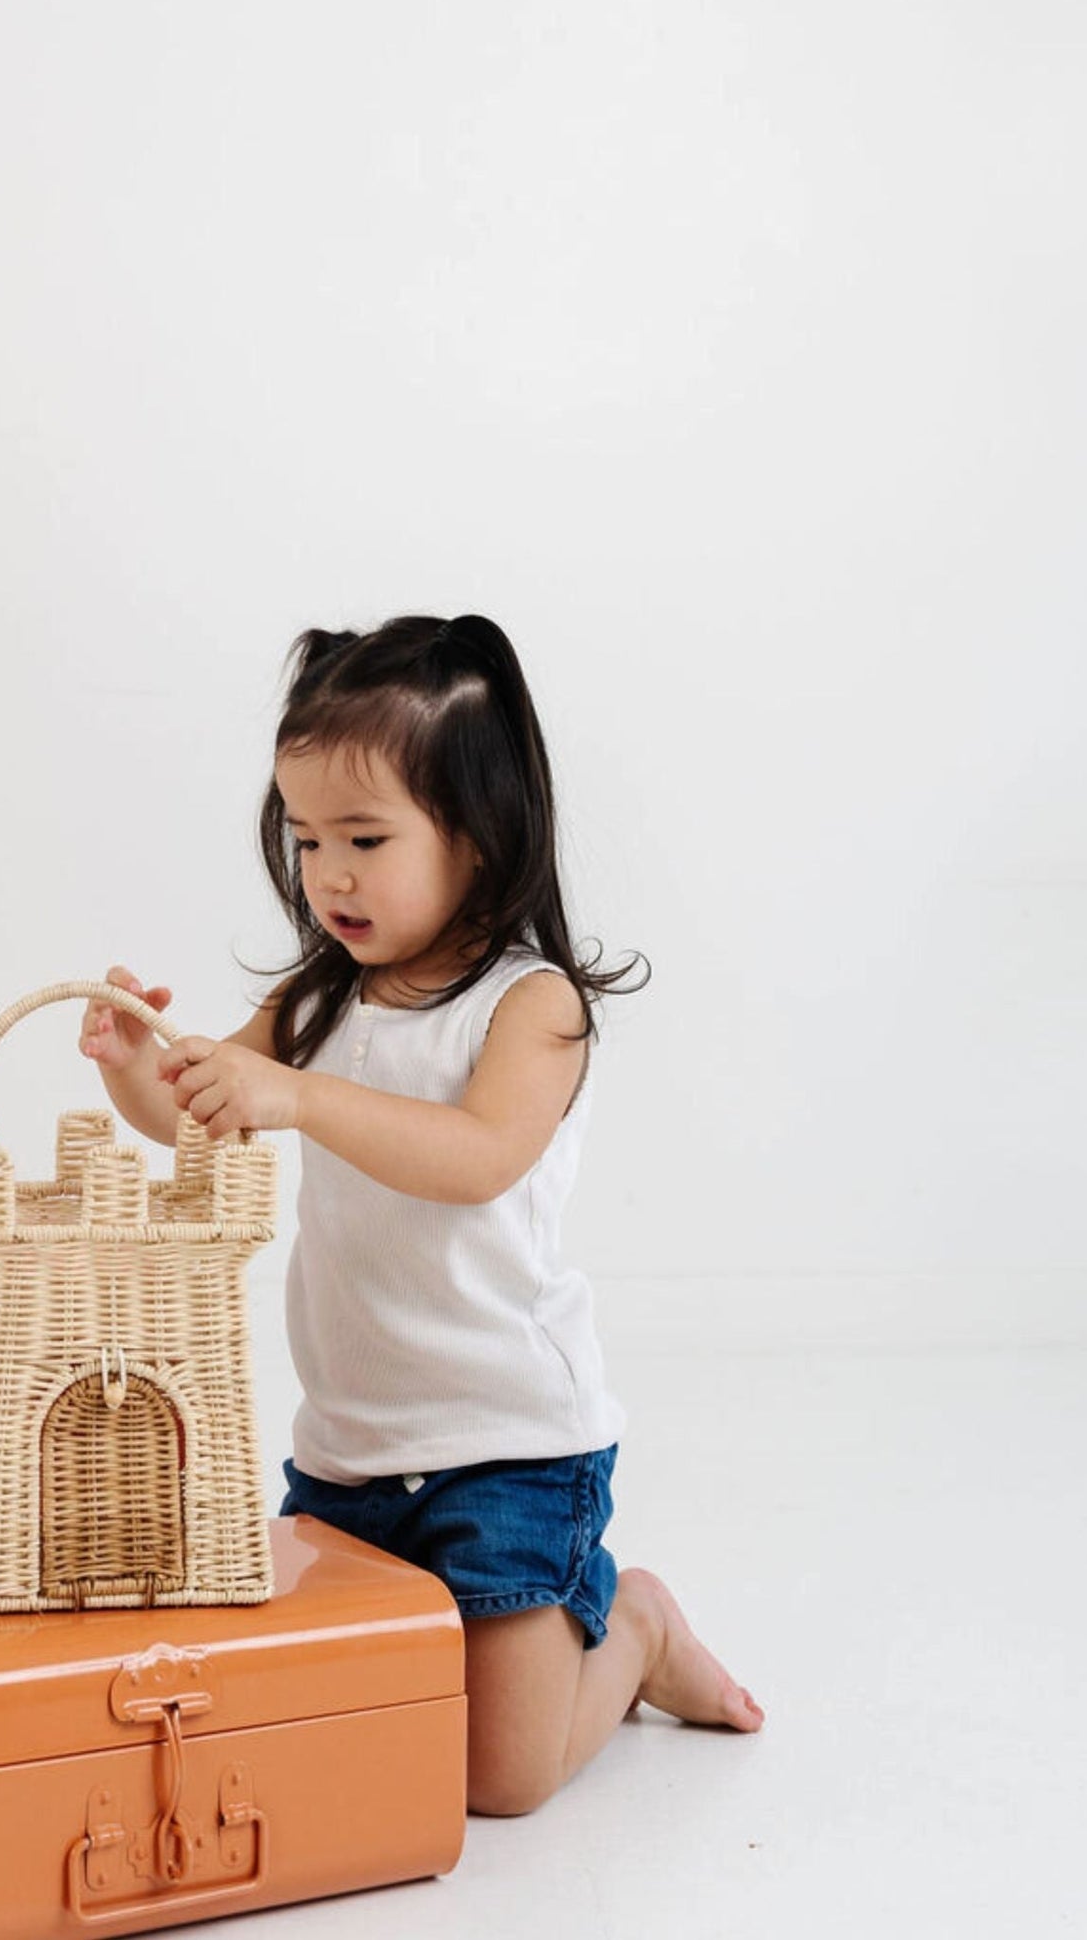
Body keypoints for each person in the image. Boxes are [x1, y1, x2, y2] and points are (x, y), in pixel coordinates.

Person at [79, 613, 762, 1816]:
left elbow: (477, 1157)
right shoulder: (315, 1000)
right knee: (319, 1725)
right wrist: (134, 1066)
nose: (328, 874)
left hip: (507, 1452)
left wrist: (297, 1093)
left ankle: (638, 1627)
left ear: (478, 836)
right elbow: (196, 1118)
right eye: (305, 839)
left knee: (501, 1777)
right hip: (348, 1454)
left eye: (364, 837)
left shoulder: (528, 1005)